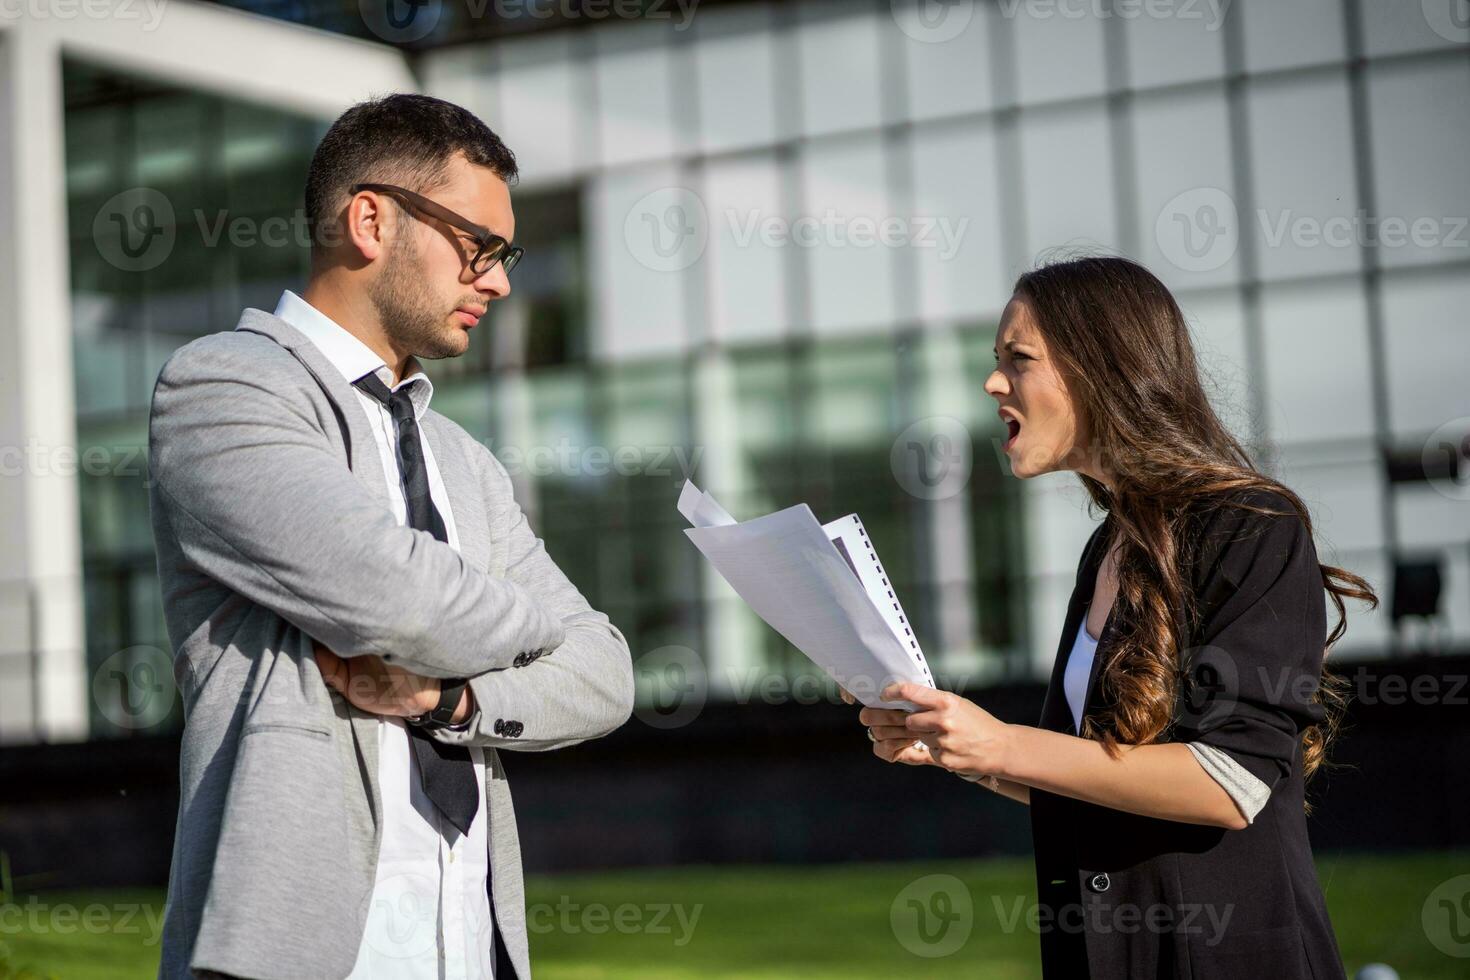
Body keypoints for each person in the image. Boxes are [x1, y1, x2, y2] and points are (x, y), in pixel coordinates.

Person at [149, 94, 634, 979]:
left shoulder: (465, 460)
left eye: (506, 255)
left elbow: (606, 673)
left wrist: (449, 702)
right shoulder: (223, 389)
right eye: (479, 246)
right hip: (302, 950)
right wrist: (537, 631)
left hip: (474, 947)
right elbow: (393, 596)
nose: (499, 281)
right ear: (371, 220)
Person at [858, 256, 1376, 978]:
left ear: (1100, 368)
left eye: (1019, 359)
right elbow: (1088, 774)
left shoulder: (1253, 525)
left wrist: (1002, 744)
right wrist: (957, 751)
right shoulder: (1108, 550)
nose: (993, 382)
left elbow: (1232, 781)